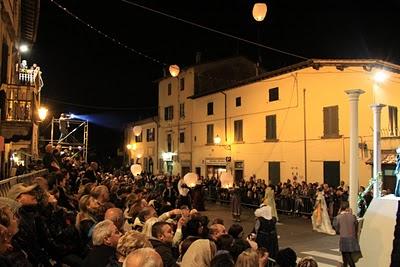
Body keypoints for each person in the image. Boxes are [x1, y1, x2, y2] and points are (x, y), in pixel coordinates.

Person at [333, 201, 362, 267]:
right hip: (352, 239)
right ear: (348, 208)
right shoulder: (353, 217)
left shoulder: (338, 217)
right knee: (346, 256)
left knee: (347, 257)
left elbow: (336, 229)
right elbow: (356, 226)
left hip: (344, 239)